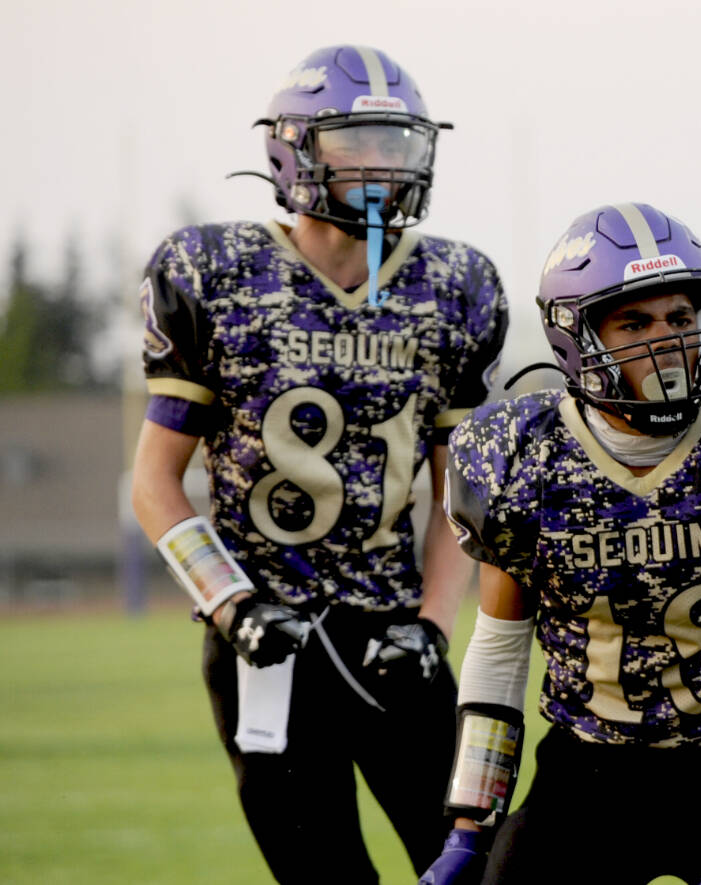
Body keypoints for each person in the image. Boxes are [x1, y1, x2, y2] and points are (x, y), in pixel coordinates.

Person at [129, 45, 507, 884]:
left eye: (398, 144)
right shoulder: (212, 272)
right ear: (295, 149)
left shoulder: (455, 284)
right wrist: (231, 605)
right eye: (356, 143)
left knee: (479, 867)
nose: (382, 165)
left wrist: (436, 625)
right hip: (263, 643)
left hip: (397, 636)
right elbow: (154, 481)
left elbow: (461, 491)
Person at [422, 203, 701, 885]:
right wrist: (471, 823)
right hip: (587, 775)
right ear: (575, 336)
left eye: (681, 318)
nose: (667, 340)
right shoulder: (525, 454)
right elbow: (499, 652)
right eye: (635, 322)